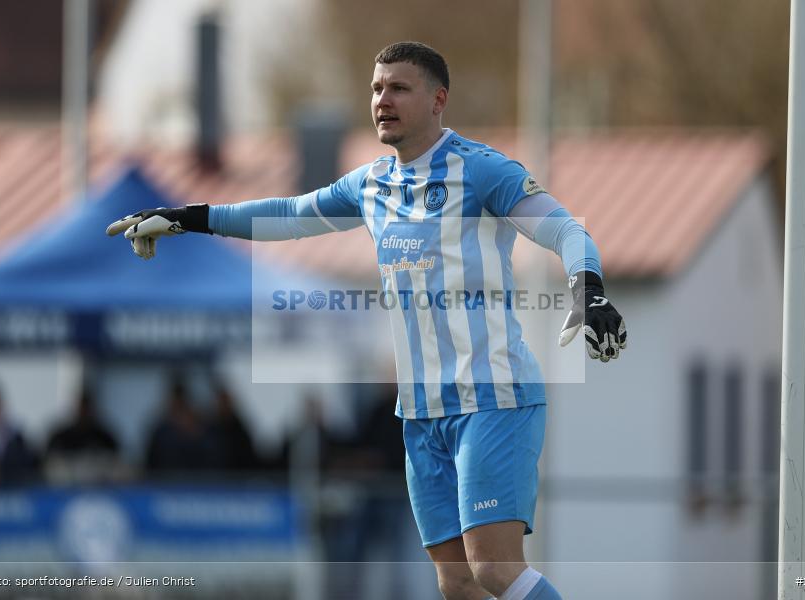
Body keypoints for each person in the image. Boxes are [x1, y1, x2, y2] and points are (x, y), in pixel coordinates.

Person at [107, 41, 627, 600]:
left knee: (494, 569)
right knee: (455, 583)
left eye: (400, 88)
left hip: (494, 396)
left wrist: (588, 289)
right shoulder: (371, 184)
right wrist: (186, 219)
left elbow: (565, 229)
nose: (383, 99)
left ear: (438, 100)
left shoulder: (481, 171)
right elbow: (286, 215)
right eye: (377, 88)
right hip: (422, 412)